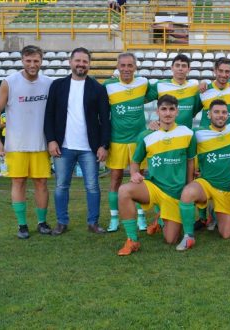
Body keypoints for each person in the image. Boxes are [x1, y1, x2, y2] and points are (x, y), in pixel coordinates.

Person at [116, 95, 195, 255]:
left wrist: (188, 187)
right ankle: (132, 240)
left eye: (171, 109)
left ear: (177, 112)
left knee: (170, 239)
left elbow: (190, 162)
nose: (168, 113)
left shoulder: (187, 133)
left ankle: (160, 219)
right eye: (164, 109)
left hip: (174, 193)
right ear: (157, 112)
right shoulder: (146, 136)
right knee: (124, 190)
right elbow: (135, 161)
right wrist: (133, 174)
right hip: (153, 187)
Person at [44, 47, 111, 236]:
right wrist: (51, 140)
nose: (81, 64)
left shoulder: (97, 88)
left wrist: (103, 145)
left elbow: (105, 119)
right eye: (78, 61)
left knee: (92, 186)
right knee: (61, 186)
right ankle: (61, 222)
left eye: (85, 61)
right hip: (63, 147)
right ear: (70, 62)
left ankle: (93, 223)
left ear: (89, 64)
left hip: (89, 148)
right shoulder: (57, 86)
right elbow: (49, 115)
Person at [0, 45, 53, 239]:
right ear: (22, 61)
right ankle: (22, 225)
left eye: (36, 61)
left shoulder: (49, 83)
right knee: (18, 182)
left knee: (42, 183)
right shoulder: (9, 82)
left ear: (41, 61)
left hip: (41, 144)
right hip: (16, 144)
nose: (32, 64)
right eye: (28, 61)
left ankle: (42, 222)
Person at [104, 53, 159, 233]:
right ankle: (114, 218)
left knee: (138, 180)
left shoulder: (143, 83)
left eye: (130, 65)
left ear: (135, 67)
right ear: (118, 67)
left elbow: (159, 91)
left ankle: (141, 219)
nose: (126, 69)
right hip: (117, 140)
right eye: (123, 65)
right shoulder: (108, 86)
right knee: (116, 179)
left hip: (138, 140)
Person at [176, 99, 230, 250]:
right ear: (209, 114)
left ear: (228, 115)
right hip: (206, 183)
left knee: (227, 234)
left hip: (225, 189)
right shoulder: (198, 133)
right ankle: (188, 236)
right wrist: (156, 126)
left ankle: (212, 212)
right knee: (187, 193)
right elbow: (176, 135)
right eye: (216, 112)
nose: (220, 115)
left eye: (224, 112)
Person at [150, 54, 202, 129]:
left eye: (183, 66)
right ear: (172, 68)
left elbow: (193, 112)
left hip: (185, 135)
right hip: (163, 134)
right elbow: (141, 100)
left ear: (188, 69)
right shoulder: (160, 85)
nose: (180, 69)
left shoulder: (194, 88)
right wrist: (154, 122)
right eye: (177, 65)